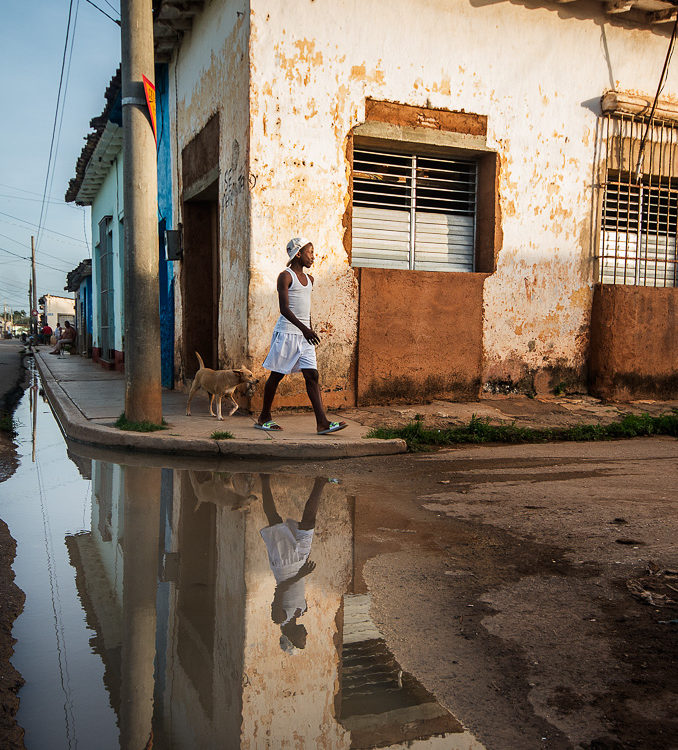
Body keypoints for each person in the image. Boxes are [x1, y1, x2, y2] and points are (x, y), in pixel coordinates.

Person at [256, 237, 346, 434]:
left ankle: (322, 423)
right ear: (298, 253)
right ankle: (264, 416)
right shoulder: (285, 276)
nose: (314, 257)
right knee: (277, 375)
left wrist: (309, 330)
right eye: (310, 252)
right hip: (287, 333)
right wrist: (305, 329)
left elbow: (307, 310)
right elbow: (284, 309)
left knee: (312, 375)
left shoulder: (310, 280)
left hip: (305, 337)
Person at [259, 474, 326, 652]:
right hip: (299, 565)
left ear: (290, 638)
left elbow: (280, 589)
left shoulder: (279, 618)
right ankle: (320, 481)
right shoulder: (301, 611)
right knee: (308, 524)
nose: (306, 635)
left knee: (274, 519)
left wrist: (300, 574)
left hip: (284, 566)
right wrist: (302, 570)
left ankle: (264, 479)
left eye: (302, 639)